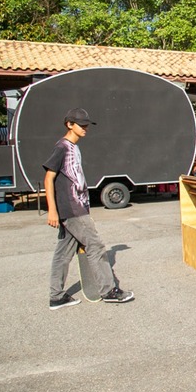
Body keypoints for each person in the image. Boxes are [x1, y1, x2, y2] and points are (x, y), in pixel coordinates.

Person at [44, 108, 134, 310]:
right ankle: (109, 291)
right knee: (96, 246)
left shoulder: (74, 147)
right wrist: (52, 210)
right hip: (72, 209)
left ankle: (56, 296)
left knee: (63, 254)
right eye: (81, 125)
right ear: (69, 124)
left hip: (75, 207)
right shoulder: (62, 147)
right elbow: (48, 178)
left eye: (86, 125)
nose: (85, 128)